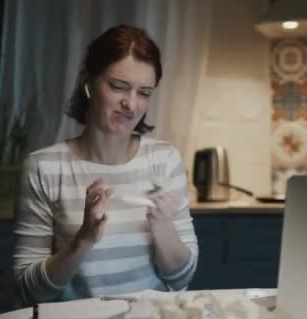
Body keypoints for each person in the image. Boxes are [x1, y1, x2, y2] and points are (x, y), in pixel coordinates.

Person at [13, 24, 198, 304]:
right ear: (89, 83)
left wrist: (164, 229)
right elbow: (28, 289)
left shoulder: (164, 160)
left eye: (144, 92)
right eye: (118, 87)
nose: (131, 104)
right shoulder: (44, 168)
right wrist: (83, 239)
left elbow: (181, 278)